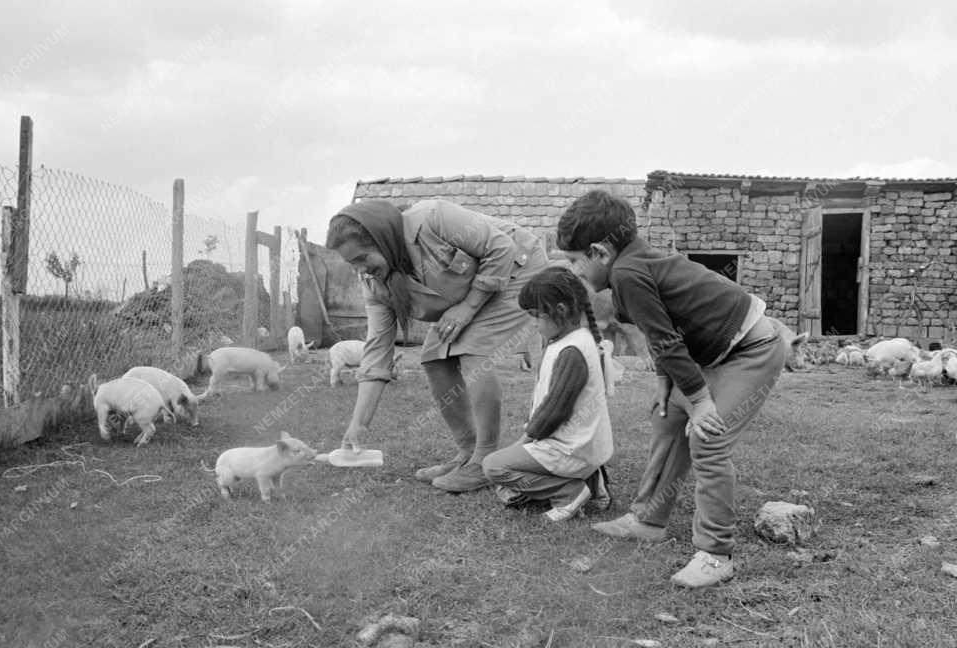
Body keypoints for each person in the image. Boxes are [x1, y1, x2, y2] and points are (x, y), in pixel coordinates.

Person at [557, 189, 784, 588]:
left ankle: (715, 554)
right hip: (715, 353)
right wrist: (667, 383)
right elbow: (661, 328)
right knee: (667, 416)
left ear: (599, 252)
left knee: (707, 435)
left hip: (752, 349)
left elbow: (666, 340)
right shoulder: (630, 265)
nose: (574, 271)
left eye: (575, 261)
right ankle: (648, 520)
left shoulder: (627, 275)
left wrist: (699, 402)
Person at [326, 198, 548, 493]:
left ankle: (485, 460)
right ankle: (468, 452)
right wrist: (358, 426)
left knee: (471, 347)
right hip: (474, 288)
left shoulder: (432, 218)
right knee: (434, 357)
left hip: (518, 268)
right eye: (352, 264)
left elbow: (501, 249)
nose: (361, 270)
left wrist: (468, 308)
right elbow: (377, 351)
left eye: (364, 257)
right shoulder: (375, 286)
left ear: (381, 237)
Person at [481, 266, 614, 521]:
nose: (534, 323)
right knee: (509, 478)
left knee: (494, 466)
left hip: (570, 449)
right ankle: (591, 481)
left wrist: (525, 440)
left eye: (536, 316)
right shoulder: (572, 339)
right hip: (576, 446)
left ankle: (569, 491)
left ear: (560, 312)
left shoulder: (571, 351)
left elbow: (554, 410)